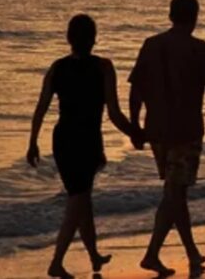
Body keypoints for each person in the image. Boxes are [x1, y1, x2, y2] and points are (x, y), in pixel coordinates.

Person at [129, 0, 205, 277]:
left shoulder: (151, 45)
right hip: (186, 132)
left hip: (156, 131)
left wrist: (134, 126)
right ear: (194, 17)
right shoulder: (199, 49)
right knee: (174, 193)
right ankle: (152, 255)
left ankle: (190, 252)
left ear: (170, 16)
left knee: (175, 193)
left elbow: (136, 90)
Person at [27, 14, 142, 279]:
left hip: (63, 139)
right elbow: (113, 113)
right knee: (78, 200)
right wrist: (136, 133)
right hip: (86, 140)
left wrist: (32, 141)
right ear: (94, 38)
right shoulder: (103, 67)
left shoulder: (57, 67)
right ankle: (56, 262)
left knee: (82, 198)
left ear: (69, 39)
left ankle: (93, 255)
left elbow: (41, 107)